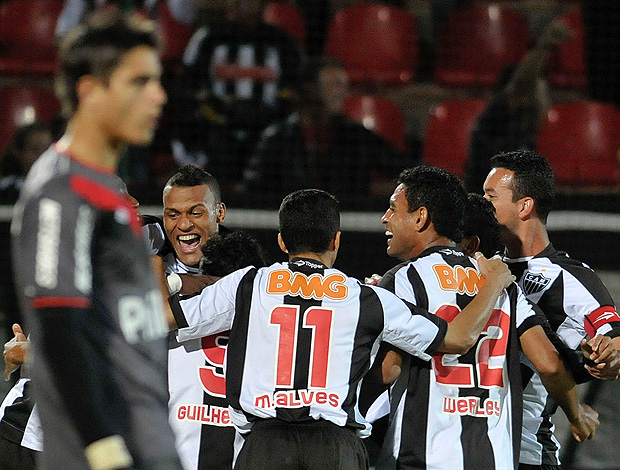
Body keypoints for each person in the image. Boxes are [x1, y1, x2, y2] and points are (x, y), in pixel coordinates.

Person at [165, 188, 516, 470]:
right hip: (335, 448)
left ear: (283, 242)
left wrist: (165, 269)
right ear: (336, 241)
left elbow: (167, 315)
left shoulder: (247, 284)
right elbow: (458, 338)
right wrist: (494, 282)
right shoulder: (367, 298)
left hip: (266, 445)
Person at [10, 10, 182, 470]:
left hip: (147, 442)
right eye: (139, 82)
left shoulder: (106, 190)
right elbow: (60, 331)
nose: (158, 97)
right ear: (90, 91)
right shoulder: (59, 190)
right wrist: (105, 450)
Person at [371, 167, 598, 470]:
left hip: (422, 456)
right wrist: (576, 416)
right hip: (495, 456)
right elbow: (548, 363)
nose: (385, 218)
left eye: (393, 208)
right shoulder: (503, 283)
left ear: (421, 217)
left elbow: (388, 371)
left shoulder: (403, 281)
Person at [483, 150, 620, 469]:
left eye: (491, 196)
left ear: (524, 205)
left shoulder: (567, 276)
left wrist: (609, 359)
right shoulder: (479, 270)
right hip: (468, 447)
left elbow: (612, 340)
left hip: (525, 452)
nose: (481, 204)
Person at [170, 0, 303, 190]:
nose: (246, 5)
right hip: (218, 123)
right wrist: (212, 102)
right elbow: (189, 82)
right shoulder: (209, 37)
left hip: (268, 126)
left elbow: (295, 87)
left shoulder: (282, 41)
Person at [241, 56, 404, 209]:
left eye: (345, 85)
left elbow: (404, 171)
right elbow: (253, 190)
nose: (343, 92)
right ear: (310, 88)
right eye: (336, 84)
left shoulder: (357, 137)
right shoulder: (277, 139)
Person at [464, 18, 571, 194]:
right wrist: (545, 45)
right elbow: (522, 83)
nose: (542, 99)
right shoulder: (497, 121)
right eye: (537, 92)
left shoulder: (527, 130)